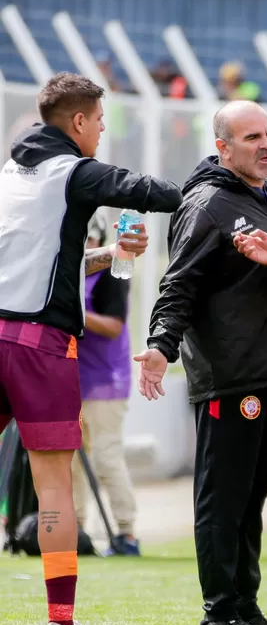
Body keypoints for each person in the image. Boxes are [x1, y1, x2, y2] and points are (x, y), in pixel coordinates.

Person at [0, 73, 182, 625]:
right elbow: (149, 191)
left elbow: (52, 259)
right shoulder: (74, 172)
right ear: (77, 122)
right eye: (100, 120)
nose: (103, 130)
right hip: (43, 346)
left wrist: (107, 253)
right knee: (54, 485)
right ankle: (60, 624)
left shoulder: (10, 172)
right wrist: (213, 184)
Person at [135, 100, 267, 625]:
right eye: (251, 136)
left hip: (266, 369)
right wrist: (160, 344)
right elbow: (177, 283)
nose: (265, 144)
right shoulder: (207, 204)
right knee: (222, 494)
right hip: (229, 374)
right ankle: (220, 612)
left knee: (253, 493)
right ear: (223, 148)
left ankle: (246, 606)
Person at [71, 211, 140, 557]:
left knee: (106, 455)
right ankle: (77, 530)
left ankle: (126, 532)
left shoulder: (112, 271)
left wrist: (73, 313)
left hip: (106, 378)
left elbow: (113, 325)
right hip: (74, 377)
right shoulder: (68, 270)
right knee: (71, 457)